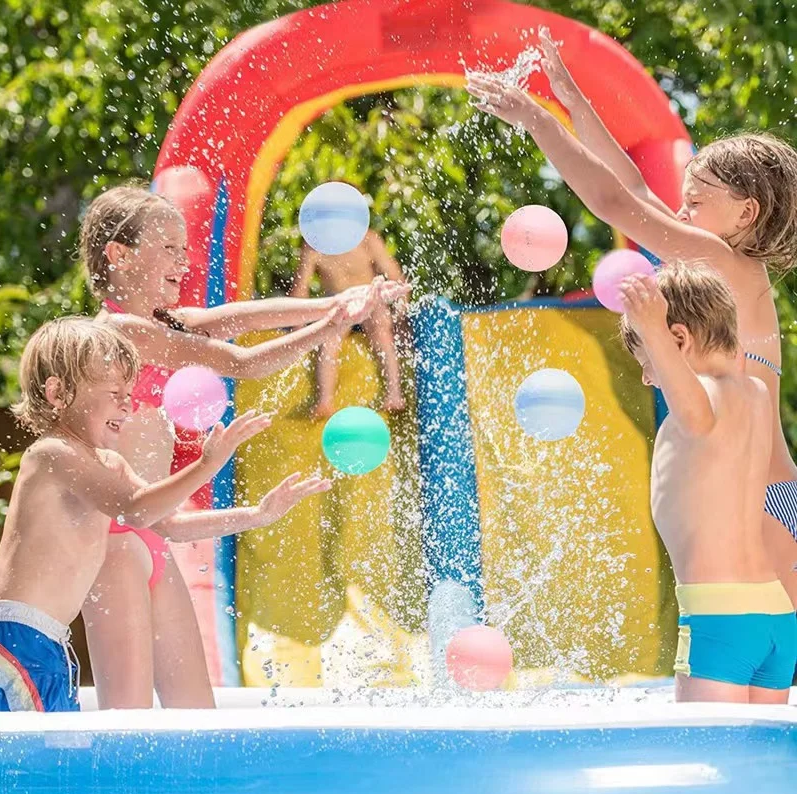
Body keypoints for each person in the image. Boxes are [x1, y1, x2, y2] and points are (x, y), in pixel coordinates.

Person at [467, 28, 797, 615]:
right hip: (767, 491)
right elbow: (636, 187)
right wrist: (573, 102)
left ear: (746, 213)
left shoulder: (728, 265)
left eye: (696, 201)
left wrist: (539, 122)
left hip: (764, 499)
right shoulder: (728, 266)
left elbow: (620, 205)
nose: (681, 210)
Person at [78, 185, 406, 709]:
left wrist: (333, 300)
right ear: (119, 255)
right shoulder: (118, 332)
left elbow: (239, 316)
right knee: (127, 723)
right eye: (168, 248)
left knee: (197, 718)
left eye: (185, 250)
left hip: (155, 540)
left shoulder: (161, 324)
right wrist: (327, 326)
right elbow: (241, 361)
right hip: (117, 549)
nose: (183, 262)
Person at [0, 318, 325, 711]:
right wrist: (206, 464)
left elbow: (166, 521)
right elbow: (136, 511)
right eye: (114, 392)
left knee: (55, 765)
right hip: (19, 639)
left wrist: (257, 514)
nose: (127, 404)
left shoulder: (108, 463)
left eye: (129, 393)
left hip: (50, 644)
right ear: (58, 393)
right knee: (27, 767)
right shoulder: (52, 455)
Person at [619, 265, 795, 703]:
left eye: (647, 362)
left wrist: (651, 328)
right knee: (759, 767)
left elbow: (697, 413)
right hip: (776, 614)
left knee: (708, 758)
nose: (646, 376)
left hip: (720, 617)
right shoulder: (753, 393)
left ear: (678, 340)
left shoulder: (701, 403)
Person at [292, 229, 410, 417]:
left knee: (382, 331)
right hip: (339, 301)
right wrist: (297, 329)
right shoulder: (315, 246)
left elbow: (395, 275)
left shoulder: (367, 239)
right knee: (329, 339)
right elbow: (301, 287)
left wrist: (400, 313)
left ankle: (394, 394)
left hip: (369, 296)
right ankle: (325, 401)